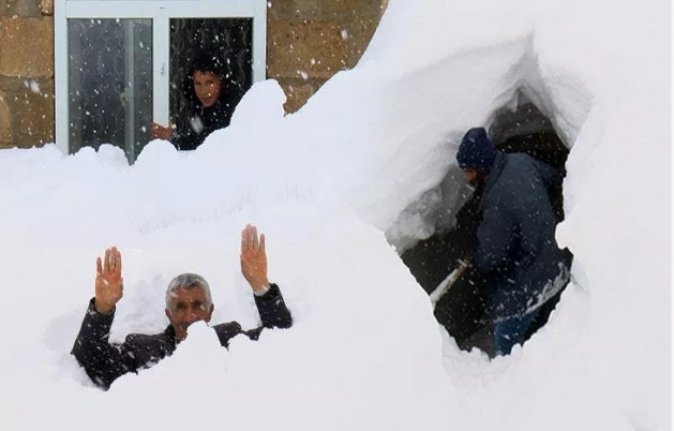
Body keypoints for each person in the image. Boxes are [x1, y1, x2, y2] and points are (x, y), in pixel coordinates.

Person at [71, 225, 292, 389]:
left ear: (210, 310)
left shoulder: (232, 339)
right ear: (168, 313)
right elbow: (90, 363)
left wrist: (261, 287)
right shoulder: (141, 350)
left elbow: (280, 337)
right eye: (180, 307)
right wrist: (102, 309)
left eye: (198, 305)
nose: (190, 315)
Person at [455, 127, 571, 356]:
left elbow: (489, 256)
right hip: (557, 270)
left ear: (481, 167)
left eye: (468, 171)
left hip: (525, 291)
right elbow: (555, 179)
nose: (467, 177)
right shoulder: (522, 162)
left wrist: (473, 252)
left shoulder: (498, 202)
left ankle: (511, 385)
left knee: (506, 352)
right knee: (552, 335)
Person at [150, 53, 241, 150]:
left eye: (210, 83)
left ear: (221, 82)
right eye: (198, 83)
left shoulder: (231, 110)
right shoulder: (195, 105)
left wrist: (171, 138)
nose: (203, 91)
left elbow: (206, 146)